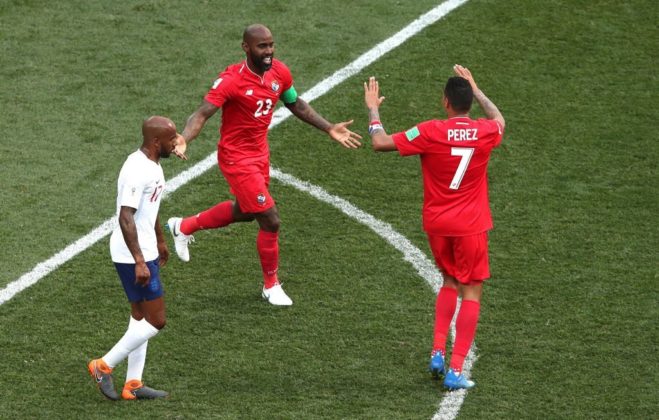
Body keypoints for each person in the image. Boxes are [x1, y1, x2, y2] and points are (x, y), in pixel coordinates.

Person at [167, 24, 362, 306]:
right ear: (246, 48)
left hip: (260, 155)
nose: (269, 51)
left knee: (246, 212)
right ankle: (271, 285)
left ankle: (183, 226)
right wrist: (184, 138)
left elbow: (295, 103)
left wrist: (329, 127)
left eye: (271, 45)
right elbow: (202, 114)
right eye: (262, 46)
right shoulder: (231, 80)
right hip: (236, 158)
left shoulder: (279, 72)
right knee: (270, 219)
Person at [363, 65, 505, 390]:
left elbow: (380, 142)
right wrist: (477, 89)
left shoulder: (429, 131)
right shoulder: (485, 131)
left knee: (449, 280)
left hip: (437, 224)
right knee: (472, 290)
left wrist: (373, 110)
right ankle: (455, 370)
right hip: (471, 225)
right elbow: (499, 119)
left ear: (445, 102)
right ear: (469, 102)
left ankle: (438, 353)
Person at [87, 116, 179, 400]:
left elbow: (149, 207)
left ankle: (133, 384)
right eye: (171, 139)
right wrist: (139, 260)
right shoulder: (137, 170)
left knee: (140, 316)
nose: (175, 143)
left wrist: (160, 239)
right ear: (155, 141)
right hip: (132, 253)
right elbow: (125, 216)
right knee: (157, 321)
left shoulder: (153, 163)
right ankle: (103, 365)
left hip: (145, 248)